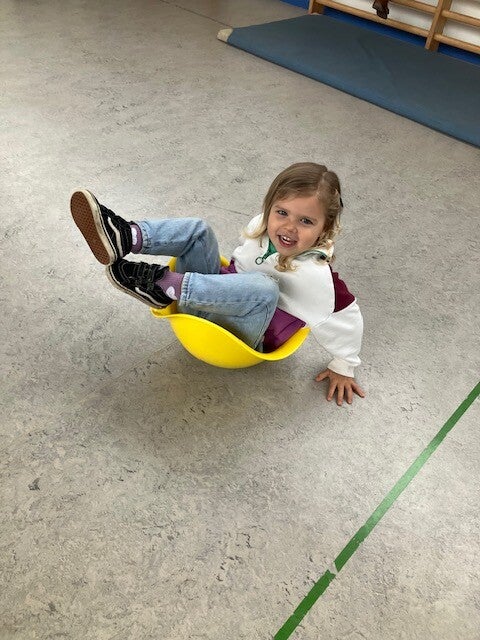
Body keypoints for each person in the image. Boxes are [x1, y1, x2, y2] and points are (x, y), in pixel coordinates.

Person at [70, 162, 365, 405]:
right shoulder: (262, 228)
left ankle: (163, 284)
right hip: (204, 299)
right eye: (282, 212)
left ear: (324, 228)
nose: (289, 227)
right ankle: (126, 237)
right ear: (269, 208)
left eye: (306, 222)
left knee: (264, 288)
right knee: (199, 230)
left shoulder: (318, 279)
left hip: (240, 335)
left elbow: (346, 319)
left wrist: (344, 365)